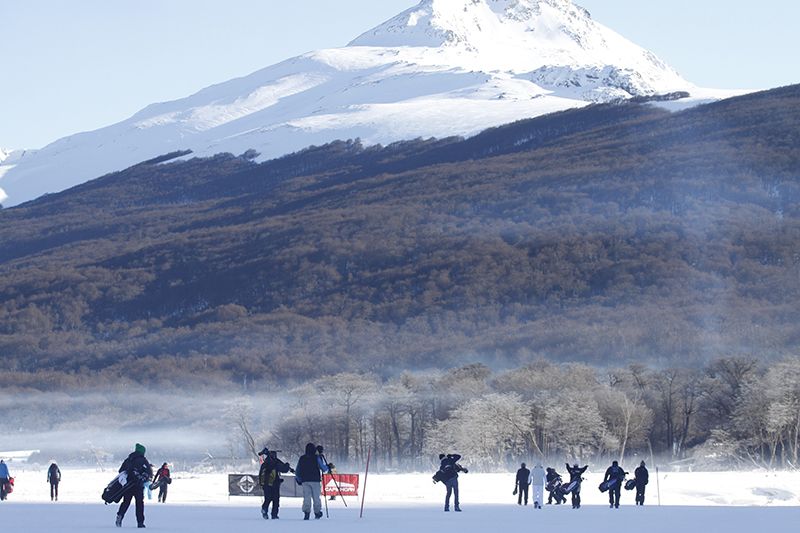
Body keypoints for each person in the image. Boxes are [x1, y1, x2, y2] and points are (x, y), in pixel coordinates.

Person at [115, 443, 153, 528]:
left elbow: (121, 470)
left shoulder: (129, 459)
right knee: (139, 504)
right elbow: (149, 473)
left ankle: (120, 515)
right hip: (138, 486)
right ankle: (140, 522)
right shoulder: (143, 460)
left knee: (126, 502)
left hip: (128, 485)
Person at [295, 442, 329, 520]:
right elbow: (323, 469)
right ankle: (317, 512)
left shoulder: (302, 458)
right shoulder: (316, 457)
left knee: (307, 497)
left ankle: (306, 513)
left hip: (305, 481)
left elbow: (298, 471)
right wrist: (328, 466)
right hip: (315, 480)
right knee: (316, 497)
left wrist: (299, 479)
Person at [259, 448, 293, 519]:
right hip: (275, 484)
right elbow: (284, 469)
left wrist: (261, 484)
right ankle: (274, 515)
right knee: (275, 500)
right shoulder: (276, 463)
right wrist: (287, 465)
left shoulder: (264, 464)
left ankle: (264, 509)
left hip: (266, 484)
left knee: (268, 498)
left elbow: (260, 475)